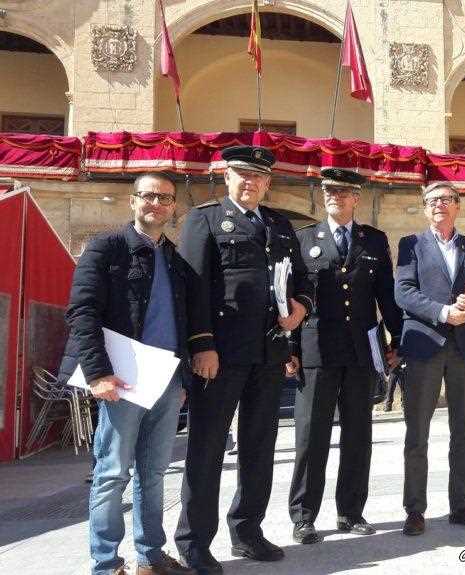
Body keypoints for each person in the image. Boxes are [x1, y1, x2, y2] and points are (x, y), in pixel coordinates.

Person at [61, 173, 212, 575]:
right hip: (121, 381)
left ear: (173, 207)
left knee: (154, 473)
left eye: (165, 198)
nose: (156, 204)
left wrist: (182, 381)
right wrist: (98, 373)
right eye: (148, 196)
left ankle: (150, 557)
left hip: (166, 382)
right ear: (132, 201)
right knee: (112, 474)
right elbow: (82, 312)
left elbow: (183, 321)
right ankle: (106, 564)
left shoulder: (176, 261)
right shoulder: (107, 248)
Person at [175, 146, 313, 573]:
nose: (250, 182)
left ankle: (248, 531)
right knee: (207, 447)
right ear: (227, 177)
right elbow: (193, 287)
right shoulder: (204, 219)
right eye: (242, 174)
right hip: (220, 354)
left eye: (258, 176)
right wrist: (201, 344)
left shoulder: (279, 225)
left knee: (259, 446)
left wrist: (301, 309)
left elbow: (301, 281)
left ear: (268, 182)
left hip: (268, 352)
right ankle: (194, 542)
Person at [287, 168, 403, 544]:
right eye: (329, 191)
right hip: (316, 349)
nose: (335, 196)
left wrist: (397, 340)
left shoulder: (374, 240)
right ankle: (304, 516)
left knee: (357, 434)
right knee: (311, 435)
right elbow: (290, 297)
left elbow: (386, 294)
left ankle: (351, 512)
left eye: (343, 191)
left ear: (356, 198)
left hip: (360, 351)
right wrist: (289, 348)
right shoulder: (304, 238)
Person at [395, 181, 465, 536]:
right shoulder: (411, 244)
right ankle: (415, 509)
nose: (439, 204)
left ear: (457, 206)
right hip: (425, 345)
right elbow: (403, 292)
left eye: (447, 199)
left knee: (463, 431)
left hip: (464, 348)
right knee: (417, 433)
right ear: (425, 208)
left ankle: (462, 505)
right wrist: (443, 312)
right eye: (433, 200)